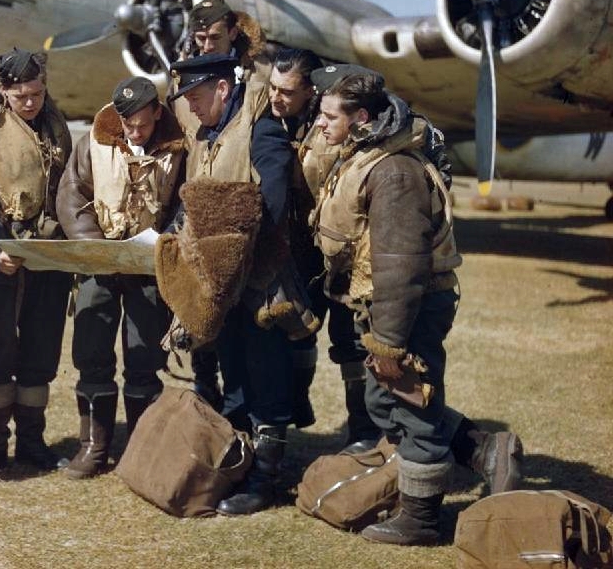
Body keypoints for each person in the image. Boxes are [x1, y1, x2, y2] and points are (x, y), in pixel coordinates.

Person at [309, 68, 524, 545]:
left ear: (360, 118)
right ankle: (488, 451)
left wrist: (389, 343)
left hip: (410, 304)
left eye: (328, 117)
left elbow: (401, 266)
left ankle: (422, 520)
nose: (320, 125)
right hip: (385, 303)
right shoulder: (362, 154)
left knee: (411, 404)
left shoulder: (394, 172)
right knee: (385, 402)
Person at [164, 50, 294, 515]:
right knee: (234, 373)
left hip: (258, 279)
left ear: (223, 88)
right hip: (221, 285)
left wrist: (247, 265)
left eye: (196, 97)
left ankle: (266, 478)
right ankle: (240, 467)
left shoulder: (261, 128)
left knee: (265, 377)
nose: (191, 108)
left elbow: (274, 204)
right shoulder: (206, 132)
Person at [55, 76, 185, 479]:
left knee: (145, 358)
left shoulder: (179, 146)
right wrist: (96, 248)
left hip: (149, 265)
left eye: (142, 124)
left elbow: (185, 201)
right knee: (92, 353)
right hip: (100, 262)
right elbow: (72, 195)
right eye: (127, 124)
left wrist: (165, 240)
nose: (134, 131)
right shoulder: (93, 140)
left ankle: (139, 450)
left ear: (157, 114)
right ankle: (93, 447)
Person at [0, 48, 73, 472]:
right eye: (21, 95)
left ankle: (32, 440)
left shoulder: (57, 125)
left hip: (50, 256)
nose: (30, 103)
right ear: (5, 90)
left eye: (37, 93)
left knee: (41, 349)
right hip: (1, 258)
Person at [268, 49, 381, 449]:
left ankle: (365, 431)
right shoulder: (273, 120)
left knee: (350, 338)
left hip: (343, 252)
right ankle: (298, 406)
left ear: (311, 90)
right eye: (273, 88)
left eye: (288, 90)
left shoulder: (336, 124)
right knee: (298, 327)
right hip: (302, 250)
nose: (277, 97)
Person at [179, 0, 270, 409]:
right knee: (202, 323)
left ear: (234, 32)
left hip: (243, 208)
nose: (206, 45)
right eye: (199, 37)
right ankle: (205, 391)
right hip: (198, 192)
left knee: (245, 338)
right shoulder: (184, 73)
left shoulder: (260, 76)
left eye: (214, 36)